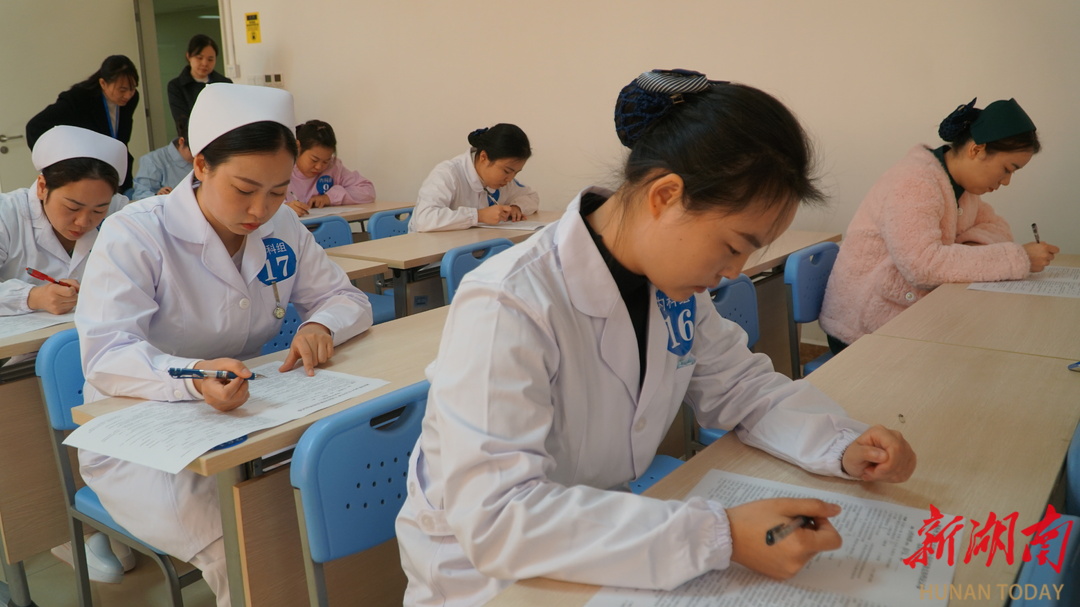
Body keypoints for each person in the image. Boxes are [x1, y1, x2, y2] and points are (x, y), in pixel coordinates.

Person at [394, 69, 917, 606]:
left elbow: (742, 387)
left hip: (600, 541)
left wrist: (840, 443)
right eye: (733, 245)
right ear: (666, 196)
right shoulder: (508, 303)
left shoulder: (670, 284)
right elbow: (498, 518)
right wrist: (720, 535)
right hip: (491, 582)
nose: (735, 271)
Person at [75, 84, 373, 607]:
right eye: (244, 188)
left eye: (278, 191)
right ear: (201, 165)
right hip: (141, 437)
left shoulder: (282, 225)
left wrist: (321, 326)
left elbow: (345, 298)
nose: (261, 209)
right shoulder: (137, 233)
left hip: (249, 416)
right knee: (247, 543)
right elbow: (107, 355)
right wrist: (195, 378)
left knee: (330, 503)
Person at [819, 98, 1058, 352]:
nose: (1006, 181)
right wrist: (1019, 258)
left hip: (909, 311)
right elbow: (922, 266)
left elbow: (998, 229)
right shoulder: (915, 182)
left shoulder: (961, 185)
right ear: (977, 150)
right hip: (862, 328)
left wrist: (965, 249)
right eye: (1007, 169)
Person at [0, 126, 128, 317]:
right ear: (42, 187)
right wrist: (32, 297)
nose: (83, 222)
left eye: (99, 210)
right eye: (72, 208)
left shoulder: (119, 212)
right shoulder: (6, 214)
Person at [26, 55, 140, 192]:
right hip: (86, 170)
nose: (128, 95)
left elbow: (121, 137)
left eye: (132, 89)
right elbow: (35, 127)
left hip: (115, 167)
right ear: (103, 83)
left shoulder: (131, 99)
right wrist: (54, 165)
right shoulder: (79, 99)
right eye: (122, 90)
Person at [408, 123, 539, 232]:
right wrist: (478, 216)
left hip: (469, 247)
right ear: (484, 157)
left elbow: (531, 196)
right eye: (507, 171)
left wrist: (516, 208)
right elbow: (424, 219)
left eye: (516, 173)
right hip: (432, 253)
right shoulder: (448, 174)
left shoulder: (504, 182)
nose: (509, 179)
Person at [284, 119, 376, 217]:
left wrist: (330, 197)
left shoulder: (333, 167)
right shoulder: (282, 168)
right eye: (314, 160)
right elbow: (271, 201)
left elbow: (367, 191)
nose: (319, 167)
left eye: (326, 161)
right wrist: (285, 208)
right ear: (298, 148)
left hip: (325, 224)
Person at [166, 34, 232, 128]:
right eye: (199, 58)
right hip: (193, 135)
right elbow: (182, 121)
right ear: (188, 56)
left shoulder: (225, 84)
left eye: (210, 59)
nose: (205, 63)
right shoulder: (176, 86)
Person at [131, 117, 194, 200]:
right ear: (181, 141)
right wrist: (157, 195)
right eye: (193, 151)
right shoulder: (152, 160)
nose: (198, 157)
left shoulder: (205, 157)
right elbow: (139, 195)